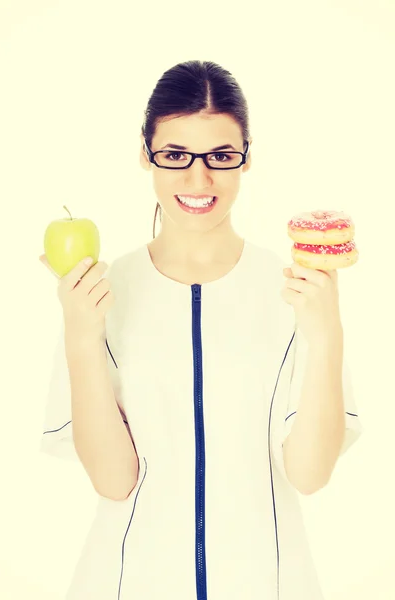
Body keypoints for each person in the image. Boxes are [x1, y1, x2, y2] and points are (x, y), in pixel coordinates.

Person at [39, 60, 363, 600]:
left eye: (220, 156)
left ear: (246, 158)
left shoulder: (298, 292)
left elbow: (308, 475)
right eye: (174, 155)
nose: (198, 179)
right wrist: (80, 336)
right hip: (126, 584)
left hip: (270, 584)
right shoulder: (96, 293)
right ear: (145, 155)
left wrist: (326, 337)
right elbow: (114, 481)